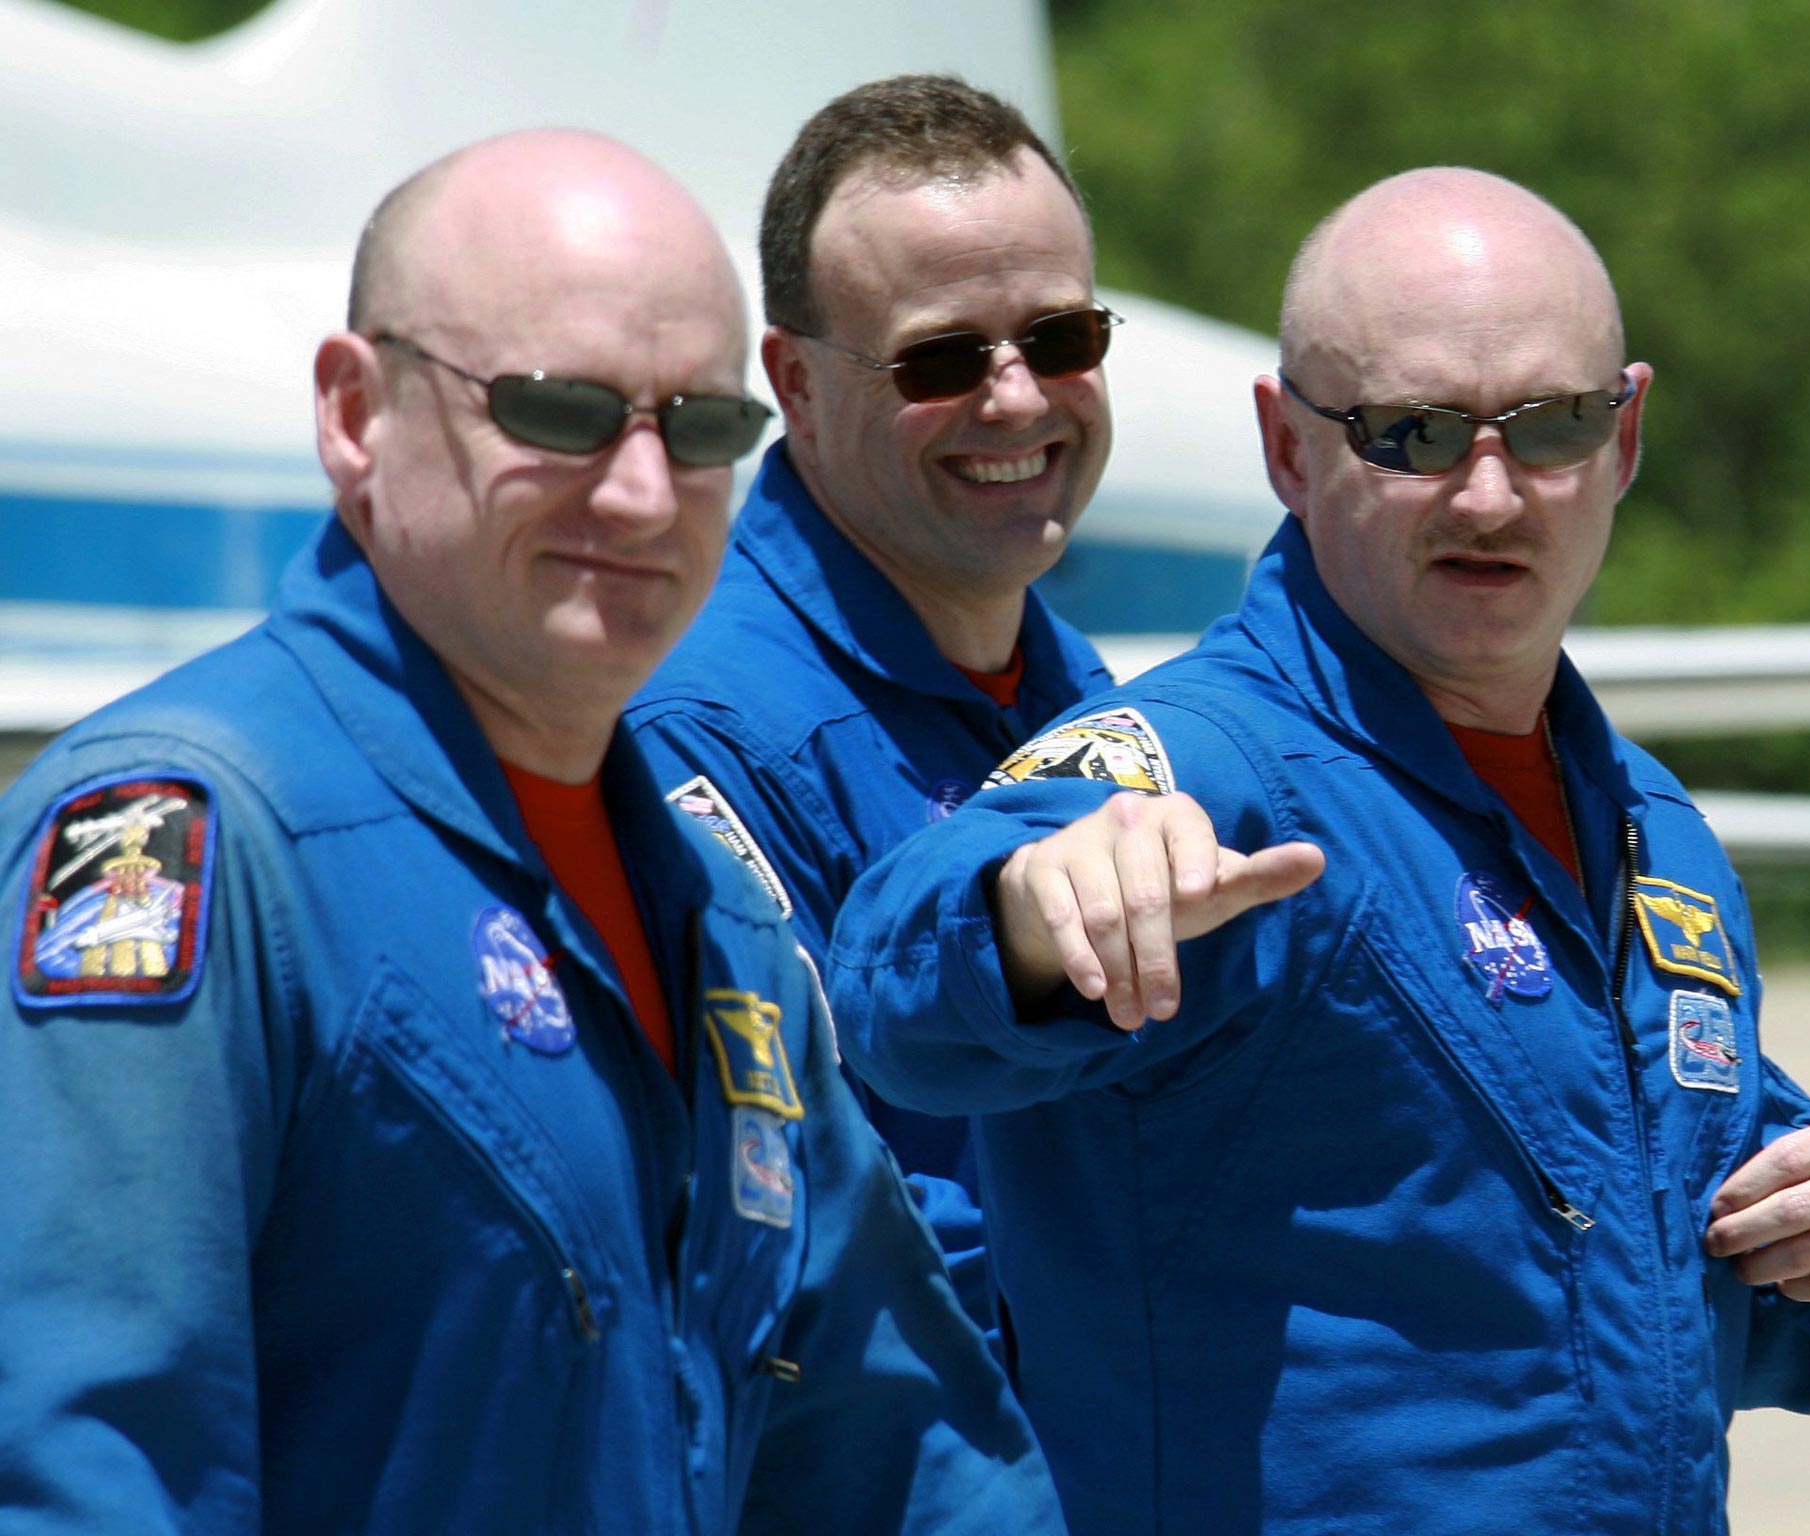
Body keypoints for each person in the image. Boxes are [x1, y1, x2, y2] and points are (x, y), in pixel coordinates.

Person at [827, 167, 1810, 1534]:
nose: (1491, 498)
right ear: (1287, 448)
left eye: (1551, 428)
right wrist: (1028, 912)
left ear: (1624, 439)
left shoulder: (1653, 836)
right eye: (1416, 434)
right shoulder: (1209, 779)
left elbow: (1679, 1312)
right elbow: (893, 984)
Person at [0, 129, 1063, 1535]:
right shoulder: (188, 848)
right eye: (560, 413)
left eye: (697, 428)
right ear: (354, 411)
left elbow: (905, 1454)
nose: (638, 492)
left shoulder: (717, 922)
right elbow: (85, 1469)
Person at [627, 75, 1115, 1329]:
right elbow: (806, 1208)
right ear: (790, 383)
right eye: (942, 359)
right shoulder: (699, 730)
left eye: (1062, 340)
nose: (1016, 400)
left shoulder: (1077, 690)